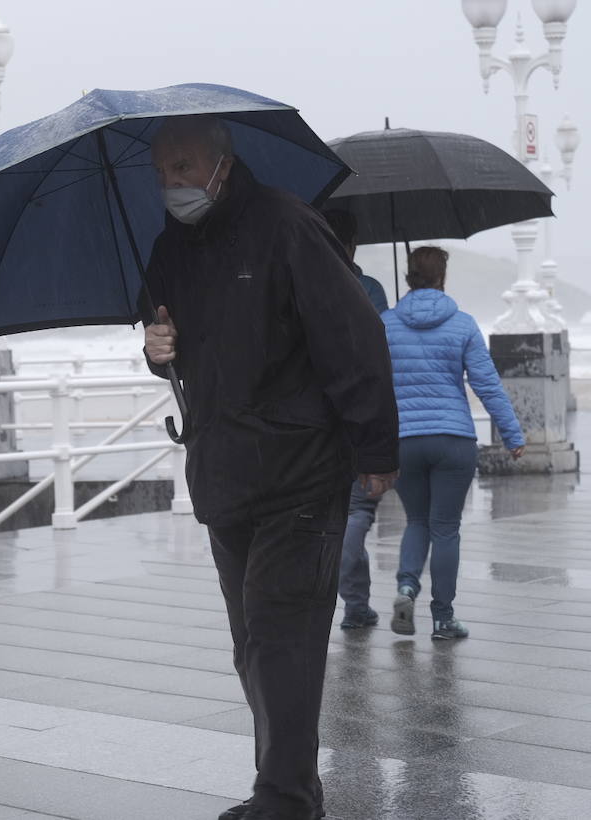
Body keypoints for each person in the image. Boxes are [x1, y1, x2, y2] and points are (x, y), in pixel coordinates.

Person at [141, 116, 399, 820]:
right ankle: (282, 790)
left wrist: (376, 450)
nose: (174, 184)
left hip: (300, 471)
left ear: (222, 163)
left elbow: (354, 335)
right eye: (163, 172)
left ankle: (283, 801)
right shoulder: (170, 250)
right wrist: (156, 344)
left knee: (280, 634)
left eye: (185, 167)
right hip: (223, 472)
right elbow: (162, 330)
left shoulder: (288, 227)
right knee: (251, 643)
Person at [381, 246, 525, 640]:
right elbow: (487, 385)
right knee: (445, 528)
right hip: (453, 440)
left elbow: (373, 387)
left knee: (416, 521)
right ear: (442, 277)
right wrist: (512, 435)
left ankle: (406, 587)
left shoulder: (386, 325)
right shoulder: (462, 325)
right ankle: (443, 618)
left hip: (405, 440)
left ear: (409, 277)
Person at [320, 209, 390, 631]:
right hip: (356, 420)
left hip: (317, 423)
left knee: (339, 516)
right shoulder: (370, 290)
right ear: (354, 244)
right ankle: (348, 599)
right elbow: (377, 358)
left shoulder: (306, 281)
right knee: (356, 515)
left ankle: (352, 603)